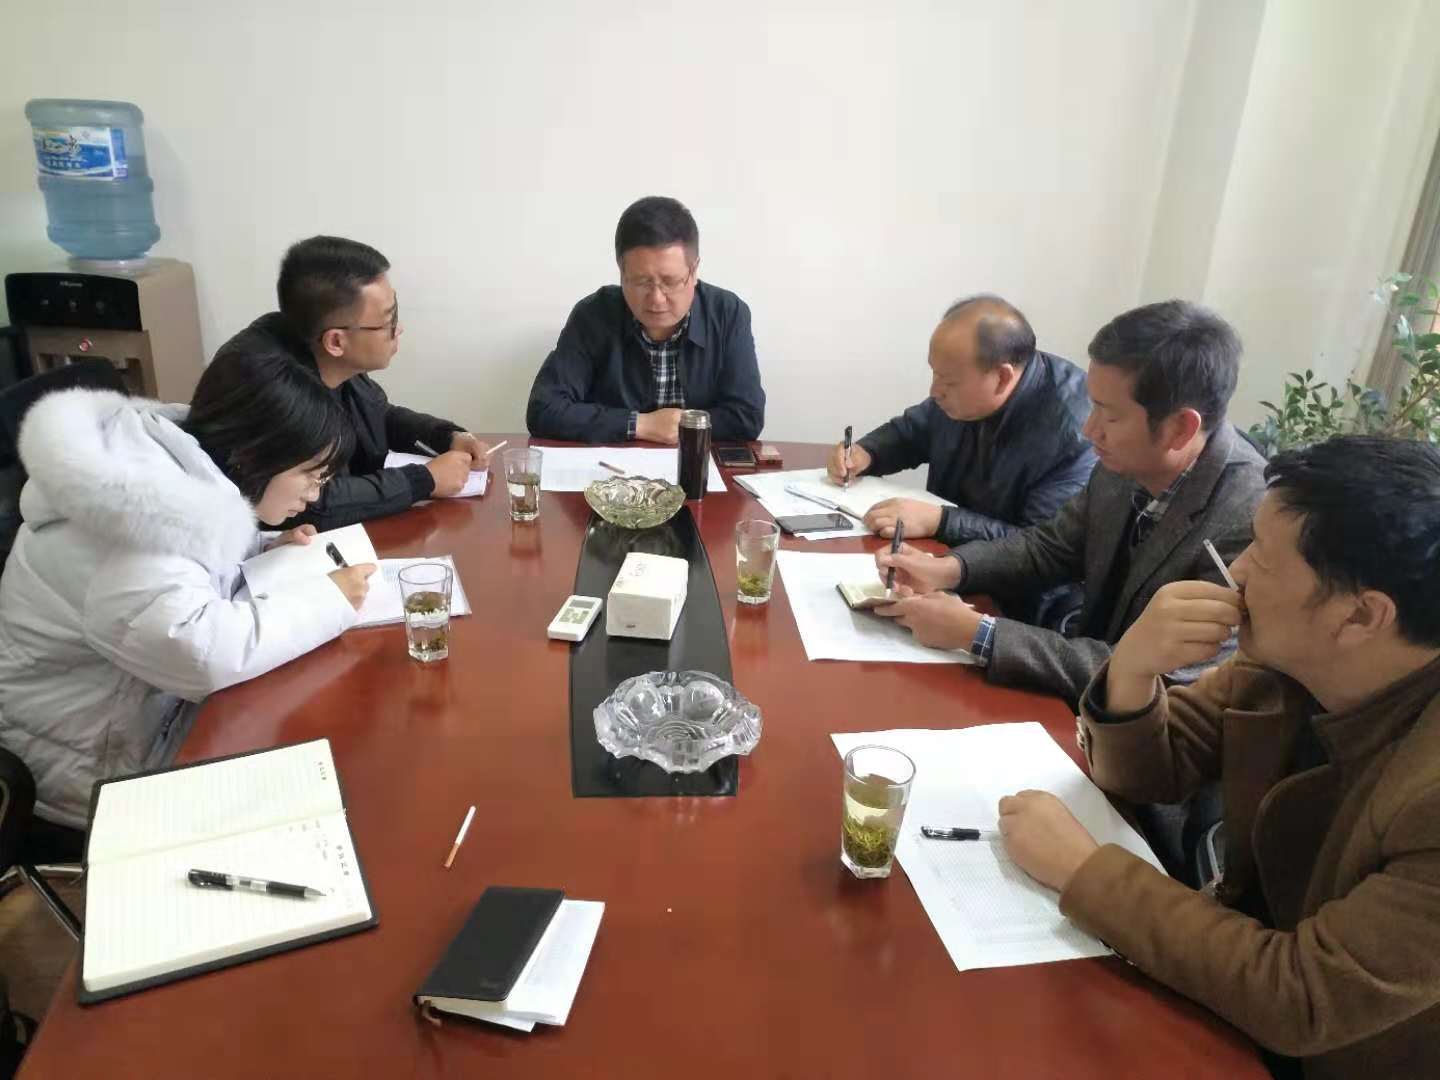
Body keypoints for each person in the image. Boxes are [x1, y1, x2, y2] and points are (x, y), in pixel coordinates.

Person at [997, 436, 1440, 1080]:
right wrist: (1134, 667)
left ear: (1361, 615)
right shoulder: (1283, 665)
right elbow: (1153, 772)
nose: (1237, 571)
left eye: (1263, 556)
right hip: (1221, 992)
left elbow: (1301, 996)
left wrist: (1083, 870)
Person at [0, 348, 377, 851]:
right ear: (254, 456)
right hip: (83, 764)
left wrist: (260, 548)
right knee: (319, 787)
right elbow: (201, 653)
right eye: (311, 474)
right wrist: (329, 600)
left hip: (137, 713)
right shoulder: (134, 533)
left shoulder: (167, 471)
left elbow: (188, 567)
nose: (315, 494)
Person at [875, 300, 1267, 709]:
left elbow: (1163, 679)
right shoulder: (1127, 457)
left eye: (1109, 416)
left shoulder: (1248, 521)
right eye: (1092, 405)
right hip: (1077, 698)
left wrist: (980, 634)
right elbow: (1050, 547)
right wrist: (948, 569)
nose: (1089, 429)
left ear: (1179, 428)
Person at [210, 236, 489, 531]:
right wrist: (424, 480)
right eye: (388, 321)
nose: (399, 329)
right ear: (336, 341)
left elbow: (377, 416)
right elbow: (313, 506)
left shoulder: (323, 353)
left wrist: (445, 437)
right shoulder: (271, 384)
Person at [825, 294, 1095, 548]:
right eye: (935, 373)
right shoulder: (960, 392)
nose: (935, 391)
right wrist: (866, 453)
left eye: (950, 382)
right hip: (942, 559)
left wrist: (941, 522)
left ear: (1002, 377)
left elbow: (1040, 546)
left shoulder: (1076, 432)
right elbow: (913, 433)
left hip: (1005, 579)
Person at [526, 195, 765, 444]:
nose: (657, 299)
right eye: (642, 282)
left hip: (696, 462)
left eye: (670, 281)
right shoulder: (593, 315)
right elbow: (544, 409)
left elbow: (747, 417)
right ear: (622, 272)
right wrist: (640, 424)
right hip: (611, 465)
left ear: (694, 271)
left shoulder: (728, 313)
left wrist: (683, 424)